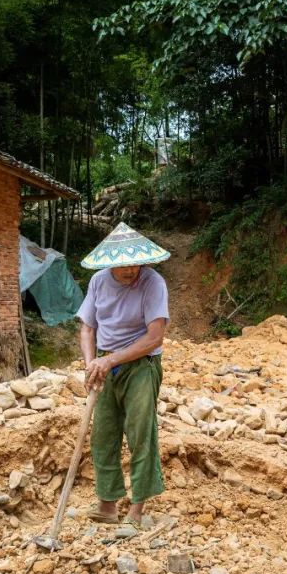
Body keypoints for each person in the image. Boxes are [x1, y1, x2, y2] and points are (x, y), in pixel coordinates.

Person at [75, 223, 171, 529]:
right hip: (106, 366)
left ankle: (137, 509)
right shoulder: (98, 282)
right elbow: (88, 328)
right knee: (103, 434)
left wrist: (112, 359)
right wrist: (92, 364)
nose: (131, 270)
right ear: (109, 264)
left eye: (135, 264)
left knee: (140, 432)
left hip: (141, 365)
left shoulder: (153, 283)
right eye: (123, 265)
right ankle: (107, 504)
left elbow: (154, 337)